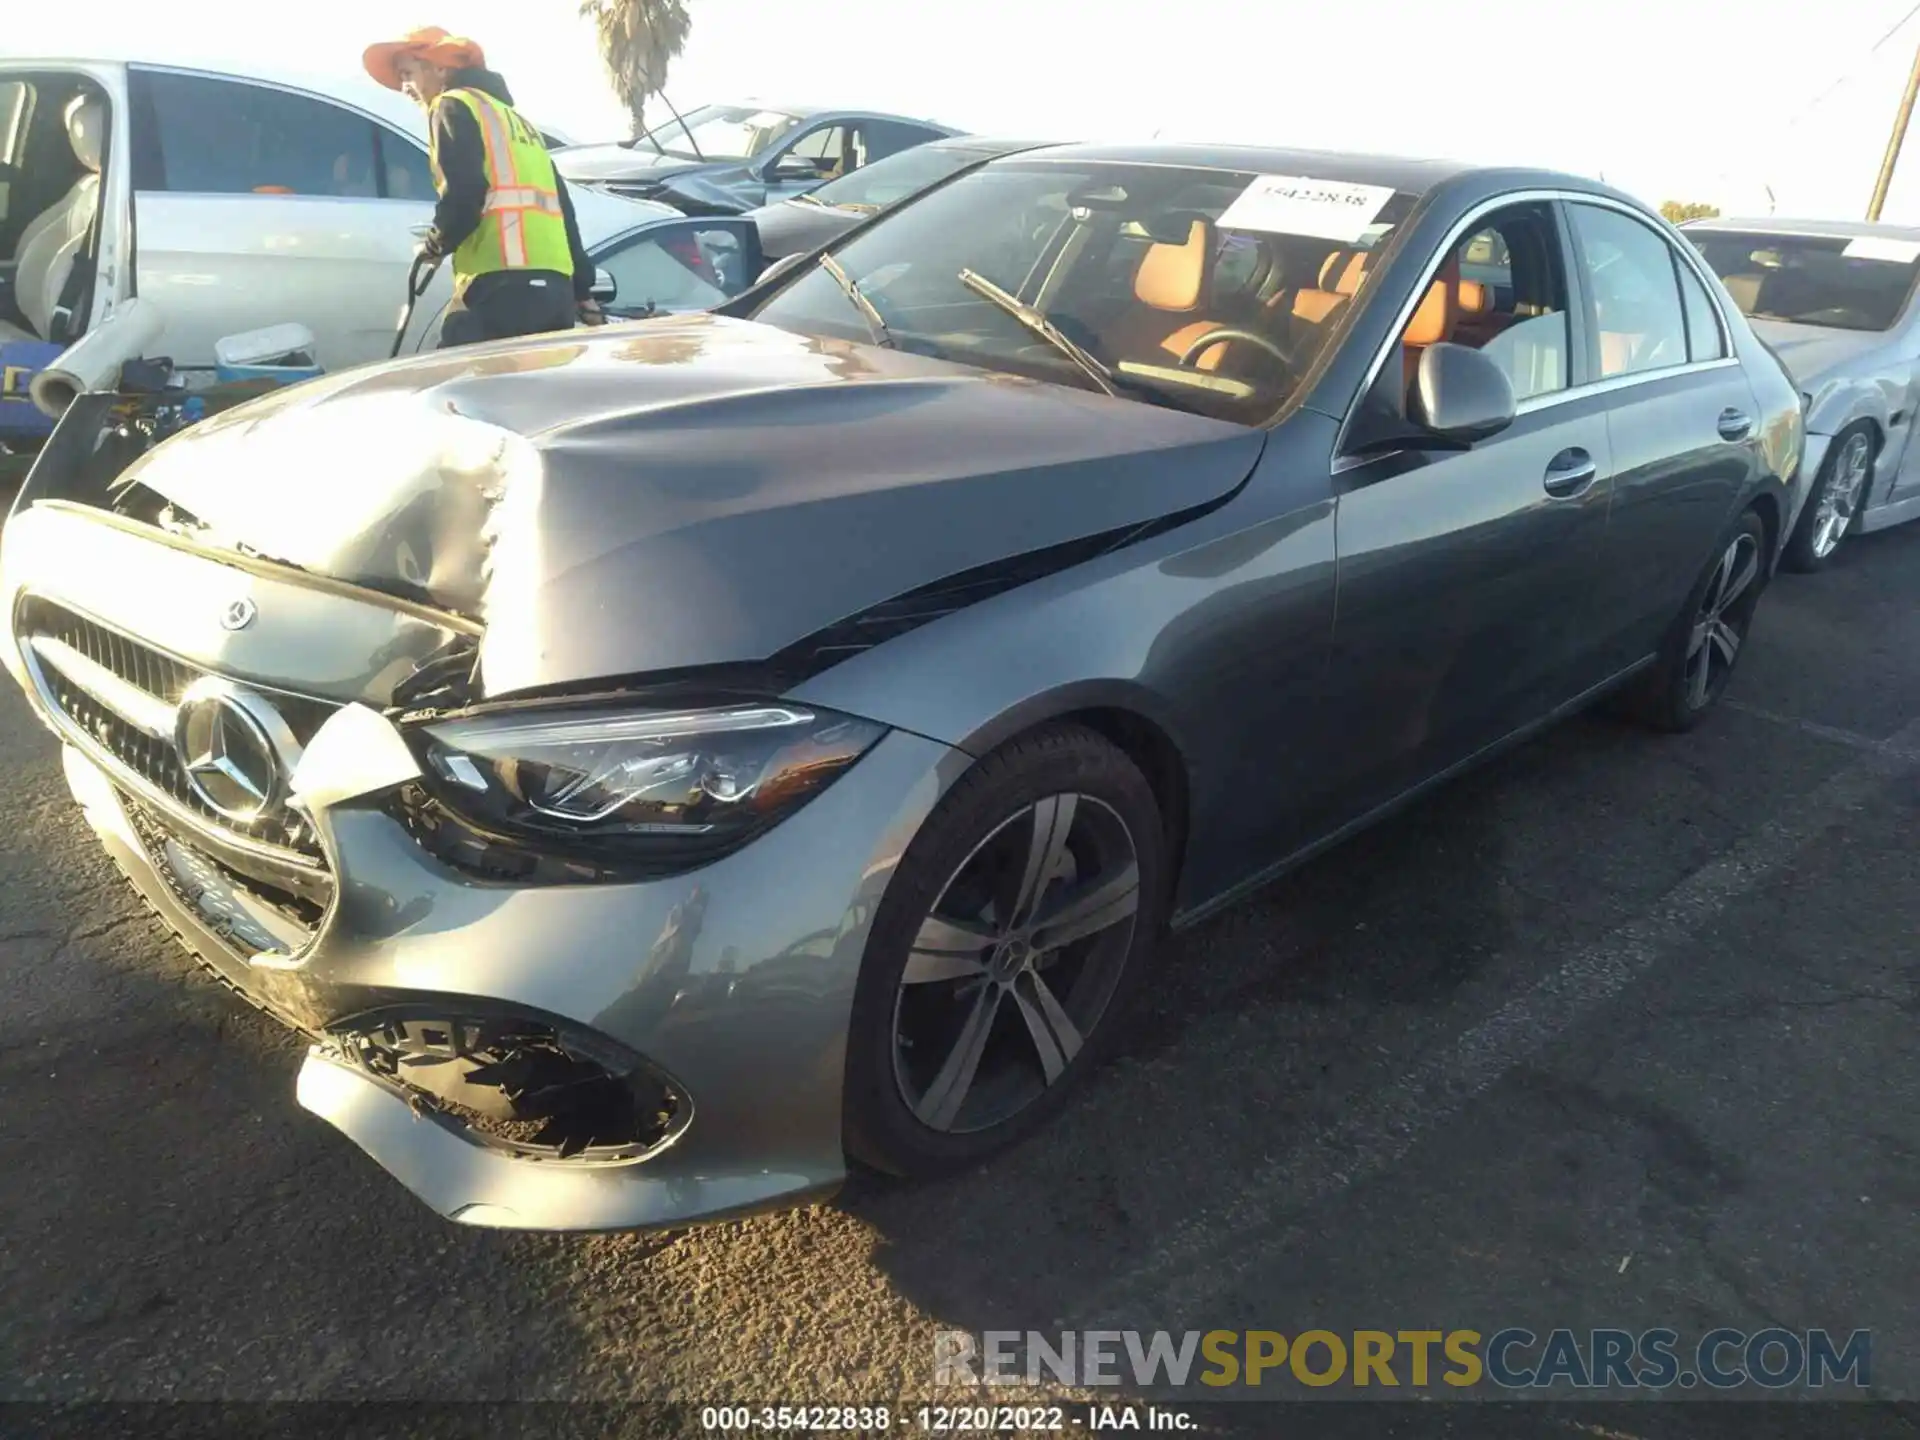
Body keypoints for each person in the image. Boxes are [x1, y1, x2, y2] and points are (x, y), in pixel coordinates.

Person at [362, 26, 604, 347]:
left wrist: (435, 245)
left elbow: (464, 196)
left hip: (500, 286)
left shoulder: (452, 105)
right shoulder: (520, 124)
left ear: (440, 67)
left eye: (407, 73)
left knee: (455, 384)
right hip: (554, 293)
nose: (405, 88)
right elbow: (563, 212)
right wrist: (582, 292)